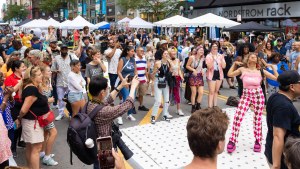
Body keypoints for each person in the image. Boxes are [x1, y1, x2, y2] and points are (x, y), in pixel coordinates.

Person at [227, 53, 278, 153]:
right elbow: (229, 74)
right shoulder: (242, 69)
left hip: (258, 95)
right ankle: (232, 141)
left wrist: (272, 67)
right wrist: (234, 64)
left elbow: (277, 78)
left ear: (257, 60)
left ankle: (258, 141)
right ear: (248, 59)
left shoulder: (261, 71)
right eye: (252, 56)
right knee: (238, 116)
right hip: (246, 95)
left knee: (257, 119)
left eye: (255, 56)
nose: (254, 57)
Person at [88, 75, 139, 169]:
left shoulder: (91, 103)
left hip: (96, 143)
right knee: (105, 166)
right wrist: (133, 88)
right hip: (104, 146)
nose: (108, 90)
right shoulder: (104, 111)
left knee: (98, 165)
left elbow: (107, 100)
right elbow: (127, 105)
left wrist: (121, 85)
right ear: (102, 92)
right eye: (107, 89)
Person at [265, 70, 300, 169]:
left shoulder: (275, 96)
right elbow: (278, 136)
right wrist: (276, 166)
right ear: (292, 87)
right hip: (284, 159)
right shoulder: (283, 106)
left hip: (272, 149)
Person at [17, 66, 50, 169]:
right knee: (36, 149)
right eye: (39, 75)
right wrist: (19, 118)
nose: (42, 76)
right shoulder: (32, 89)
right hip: (32, 124)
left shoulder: (32, 87)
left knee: (30, 148)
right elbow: (23, 109)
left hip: (31, 123)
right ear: (32, 77)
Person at [39, 66, 58, 166]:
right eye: (48, 71)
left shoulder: (47, 82)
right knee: (53, 132)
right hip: (43, 112)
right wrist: (48, 100)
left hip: (47, 111)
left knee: (46, 133)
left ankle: (42, 152)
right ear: (42, 72)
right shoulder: (39, 85)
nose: (51, 72)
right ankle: (47, 156)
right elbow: (38, 100)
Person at [51, 45, 74, 121]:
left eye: (65, 49)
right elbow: (53, 69)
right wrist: (53, 79)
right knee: (60, 99)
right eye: (62, 49)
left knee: (70, 99)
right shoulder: (56, 58)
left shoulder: (71, 57)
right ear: (60, 50)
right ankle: (61, 114)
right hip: (60, 81)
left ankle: (71, 113)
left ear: (67, 50)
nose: (64, 50)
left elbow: (75, 68)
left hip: (70, 82)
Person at [151, 50, 173, 124]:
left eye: (167, 54)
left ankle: (165, 115)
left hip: (166, 82)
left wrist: (171, 63)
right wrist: (155, 72)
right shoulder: (157, 63)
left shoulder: (168, 63)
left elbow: (172, 71)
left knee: (167, 100)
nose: (166, 55)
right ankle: (153, 116)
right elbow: (152, 74)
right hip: (158, 82)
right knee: (158, 101)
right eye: (165, 53)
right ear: (162, 55)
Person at [116, 46, 137, 123]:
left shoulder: (133, 60)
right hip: (124, 81)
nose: (133, 52)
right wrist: (124, 82)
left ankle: (129, 114)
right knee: (126, 99)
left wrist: (136, 79)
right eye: (132, 51)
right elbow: (118, 72)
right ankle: (119, 116)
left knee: (132, 98)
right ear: (127, 51)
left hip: (132, 81)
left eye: (133, 51)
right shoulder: (122, 59)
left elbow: (135, 70)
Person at [0, 72, 14, 169]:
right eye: (1, 77)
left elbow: (11, 105)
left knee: (7, 149)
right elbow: (0, 110)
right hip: (2, 125)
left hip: (7, 124)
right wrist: (5, 97)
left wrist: (10, 95)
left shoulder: (1, 89)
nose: (4, 79)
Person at [205, 43, 226, 108]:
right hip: (211, 74)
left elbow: (224, 66)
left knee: (216, 91)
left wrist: (222, 59)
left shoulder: (220, 55)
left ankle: (215, 106)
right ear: (211, 48)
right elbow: (209, 67)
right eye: (213, 46)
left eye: (216, 47)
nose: (215, 48)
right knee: (211, 91)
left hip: (219, 74)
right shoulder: (208, 56)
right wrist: (213, 59)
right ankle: (209, 107)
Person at [186, 46, 205, 113]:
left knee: (201, 92)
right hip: (193, 76)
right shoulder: (192, 57)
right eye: (200, 50)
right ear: (197, 51)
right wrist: (193, 69)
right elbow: (187, 66)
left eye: (202, 50)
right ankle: (193, 107)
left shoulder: (202, 58)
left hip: (199, 76)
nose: (202, 52)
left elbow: (203, 67)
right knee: (194, 92)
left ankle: (198, 105)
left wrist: (203, 70)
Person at [169, 47, 184, 116]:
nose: (174, 53)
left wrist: (181, 76)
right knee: (168, 94)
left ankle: (178, 109)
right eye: (172, 51)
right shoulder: (168, 61)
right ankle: (165, 110)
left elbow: (179, 70)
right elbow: (167, 71)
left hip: (177, 79)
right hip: (170, 79)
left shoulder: (178, 60)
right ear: (170, 53)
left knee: (177, 94)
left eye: (174, 51)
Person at [135, 47, 149, 111]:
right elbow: (134, 70)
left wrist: (147, 78)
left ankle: (141, 105)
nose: (142, 52)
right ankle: (131, 107)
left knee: (141, 94)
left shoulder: (144, 59)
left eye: (143, 51)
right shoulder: (134, 59)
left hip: (143, 78)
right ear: (137, 51)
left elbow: (145, 69)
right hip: (136, 79)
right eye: (141, 51)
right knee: (133, 94)